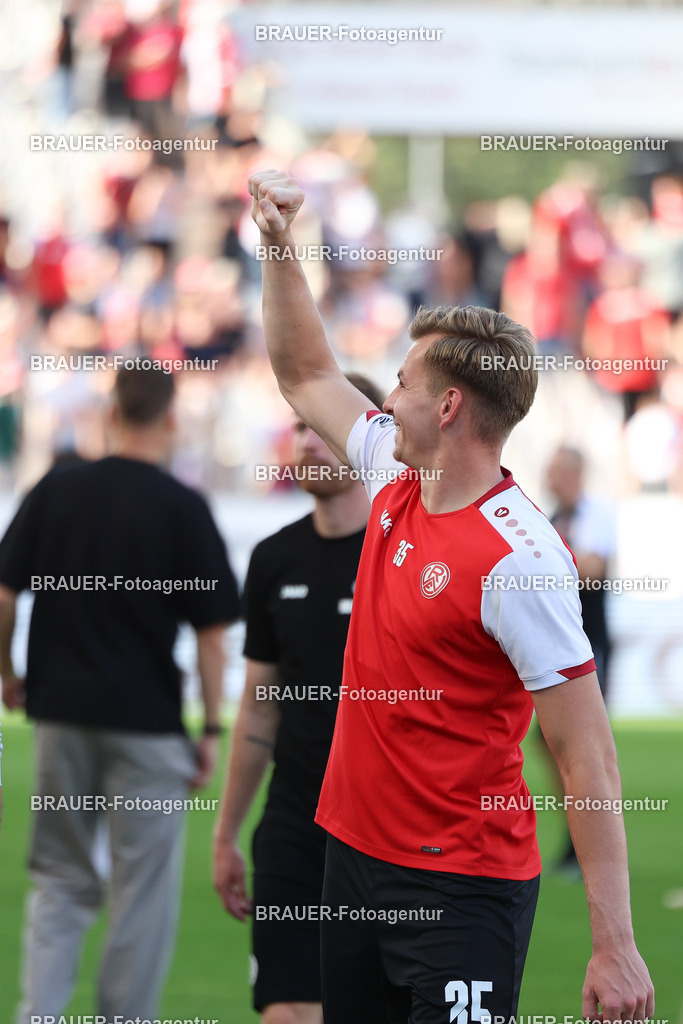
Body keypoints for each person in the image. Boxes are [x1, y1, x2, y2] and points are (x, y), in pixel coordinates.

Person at [245, 169, 654, 1024]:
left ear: (451, 405)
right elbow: (302, 370)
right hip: (351, 860)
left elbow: (587, 756)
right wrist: (279, 247)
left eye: (400, 384)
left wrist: (612, 945)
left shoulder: (519, 559)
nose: (382, 401)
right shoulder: (396, 475)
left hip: (461, 887)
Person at [0, 367, 241, 1024]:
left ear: (110, 412)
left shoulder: (58, 487)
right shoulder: (181, 505)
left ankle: (38, 1015)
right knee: (142, 894)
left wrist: (7, 674)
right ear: (170, 419)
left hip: (60, 715)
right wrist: (211, 731)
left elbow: (4, 594)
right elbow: (214, 633)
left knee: (59, 880)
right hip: (147, 723)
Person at [213, 373, 384, 1024]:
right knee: (285, 1008)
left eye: (322, 428)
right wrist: (227, 832)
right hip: (291, 825)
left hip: (382, 828)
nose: (307, 442)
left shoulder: (401, 553)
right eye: (299, 427)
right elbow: (259, 704)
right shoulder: (272, 558)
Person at [544, 446, 617, 875]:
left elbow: (591, 567)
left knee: (583, 744)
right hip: (558, 645)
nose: (550, 480)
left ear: (573, 473)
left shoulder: (596, 514)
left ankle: (590, 846)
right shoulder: (551, 517)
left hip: (590, 646)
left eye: (555, 472)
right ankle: (576, 836)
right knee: (551, 742)